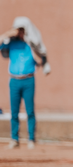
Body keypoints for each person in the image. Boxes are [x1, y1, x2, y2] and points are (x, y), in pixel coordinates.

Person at [1, 17, 50, 149]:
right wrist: (7, 34)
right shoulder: (10, 43)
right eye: (18, 30)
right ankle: (14, 139)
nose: (20, 33)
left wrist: (44, 63)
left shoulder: (31, 44)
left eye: (22, 30)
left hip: (28, 80)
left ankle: (31, 139)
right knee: (14, 112)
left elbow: (41, 53)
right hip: (14, 81)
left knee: (30, 111)